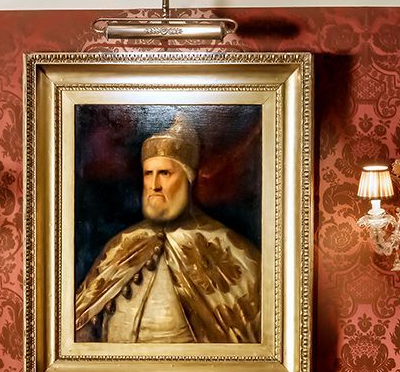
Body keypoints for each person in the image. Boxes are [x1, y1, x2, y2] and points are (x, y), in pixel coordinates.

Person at [73, 112, 261, 343]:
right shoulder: (121, 246)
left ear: (188, 179)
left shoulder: (230, 250)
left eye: (165, 173)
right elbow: (80, 325)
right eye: (148, 174)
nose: (154, 185)